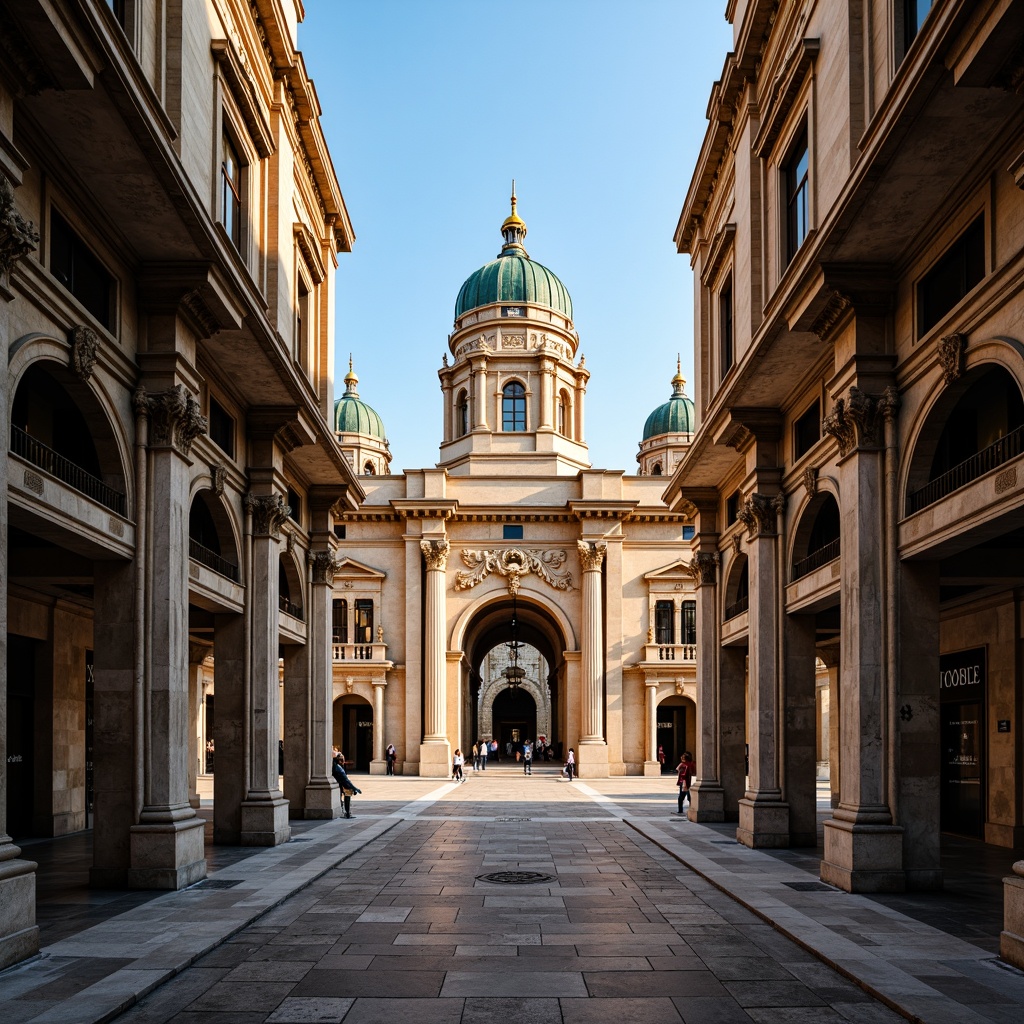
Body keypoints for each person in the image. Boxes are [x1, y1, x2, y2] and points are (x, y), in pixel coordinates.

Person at [332, 752, 360, 818]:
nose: (343, 762)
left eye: (343, 760)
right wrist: (354, 788)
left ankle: (346, 812)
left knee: (346, 793)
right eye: (341, 760)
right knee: (348, 793)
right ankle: (346, 813)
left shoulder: (338, 766)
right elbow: (345, 780)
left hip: (341, 784)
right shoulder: (338, 768)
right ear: (338, 760)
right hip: (340, 784)